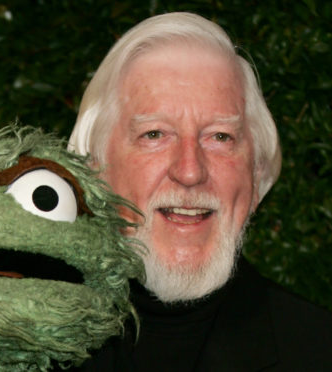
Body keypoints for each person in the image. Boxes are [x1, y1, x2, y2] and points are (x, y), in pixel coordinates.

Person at [68, 12, 332, 371]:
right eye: (155, 135)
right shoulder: (14, 346)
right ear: (95, 169)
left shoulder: (317, 349)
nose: (190, 171)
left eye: (220, 137)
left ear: (256, 176)